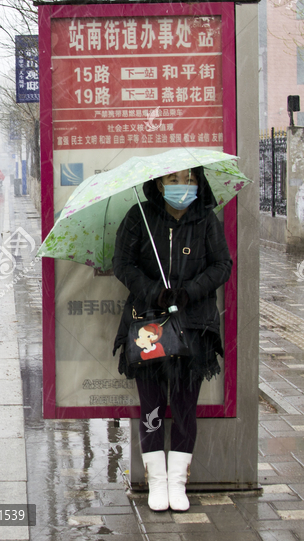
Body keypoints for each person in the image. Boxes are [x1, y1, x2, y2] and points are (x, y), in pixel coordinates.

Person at [112, 167, 232, 513]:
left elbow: (222, 265)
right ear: (159, 184)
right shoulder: (140, 217)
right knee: (151, 405)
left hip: (193, 327)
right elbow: (123, 263)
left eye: (190, 179)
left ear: (199, 182)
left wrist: (189, 291)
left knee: (184, 406)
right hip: (149, 328)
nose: (183, 186)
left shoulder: (206, 220)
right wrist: (154, 292)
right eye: (174, 180)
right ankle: (157, 481)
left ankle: (178, 481)